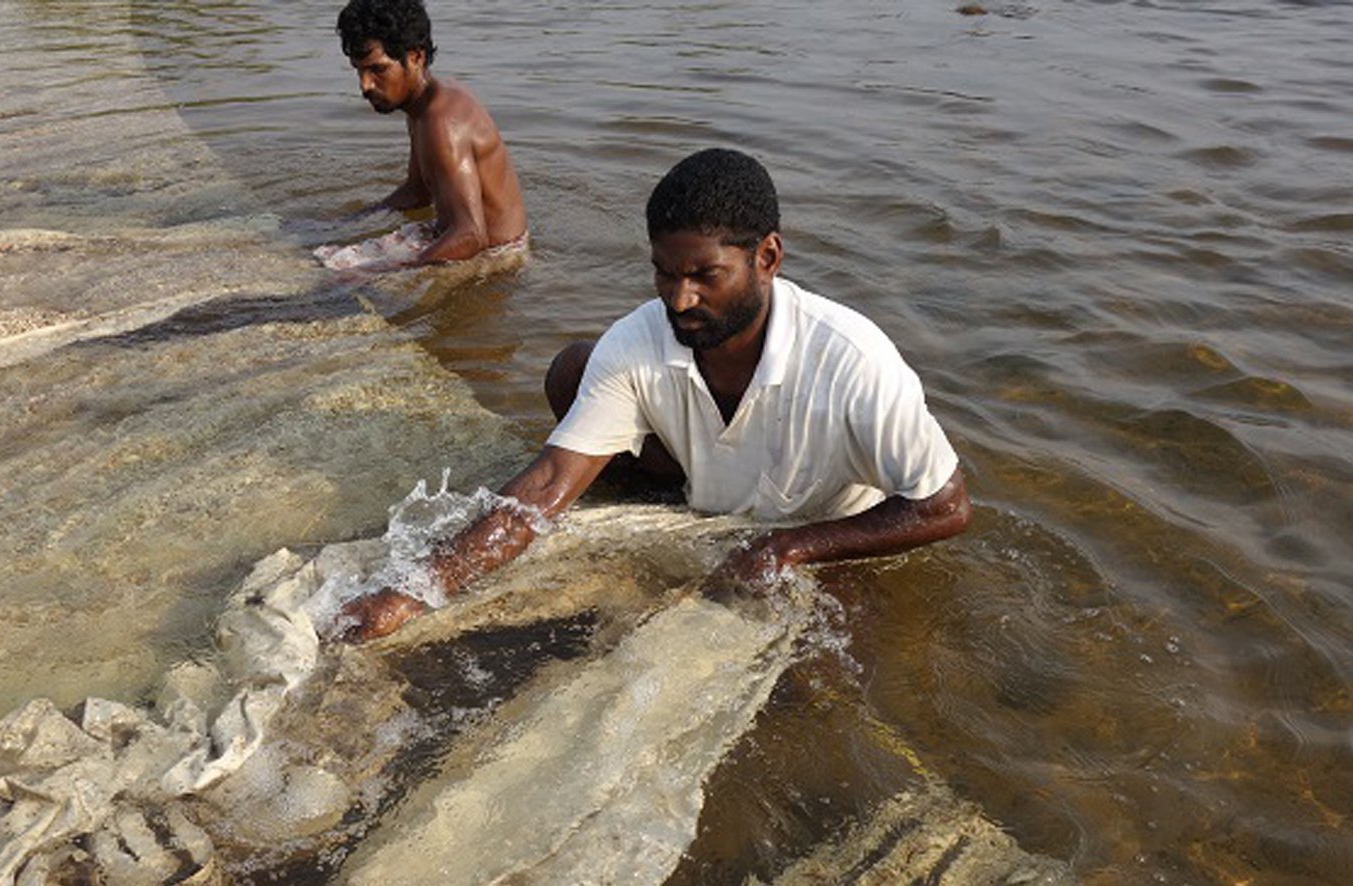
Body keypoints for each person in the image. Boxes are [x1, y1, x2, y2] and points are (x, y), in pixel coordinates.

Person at [342, 148, 971, 640]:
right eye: (665, 273)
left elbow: (945, 506)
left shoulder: (852, 361)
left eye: (706, 275)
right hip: (710, 492)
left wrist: (793, 545)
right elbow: (541, 489)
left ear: (768, 258)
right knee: (575, 370)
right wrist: (413, 591)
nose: (680, 299)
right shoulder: (639, 339)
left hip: (820, 530)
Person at [323, 0, 527, 268]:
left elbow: (471, 235)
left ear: (415, 57)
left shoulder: (442, 121)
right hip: (454, 236)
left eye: (377, 69)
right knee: (327, 258)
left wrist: (391, 272)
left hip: (495, 258)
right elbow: (417, 193)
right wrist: (351, 220)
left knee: (338, 281)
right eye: (359, 70)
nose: (364, 86)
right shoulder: (422, 107)